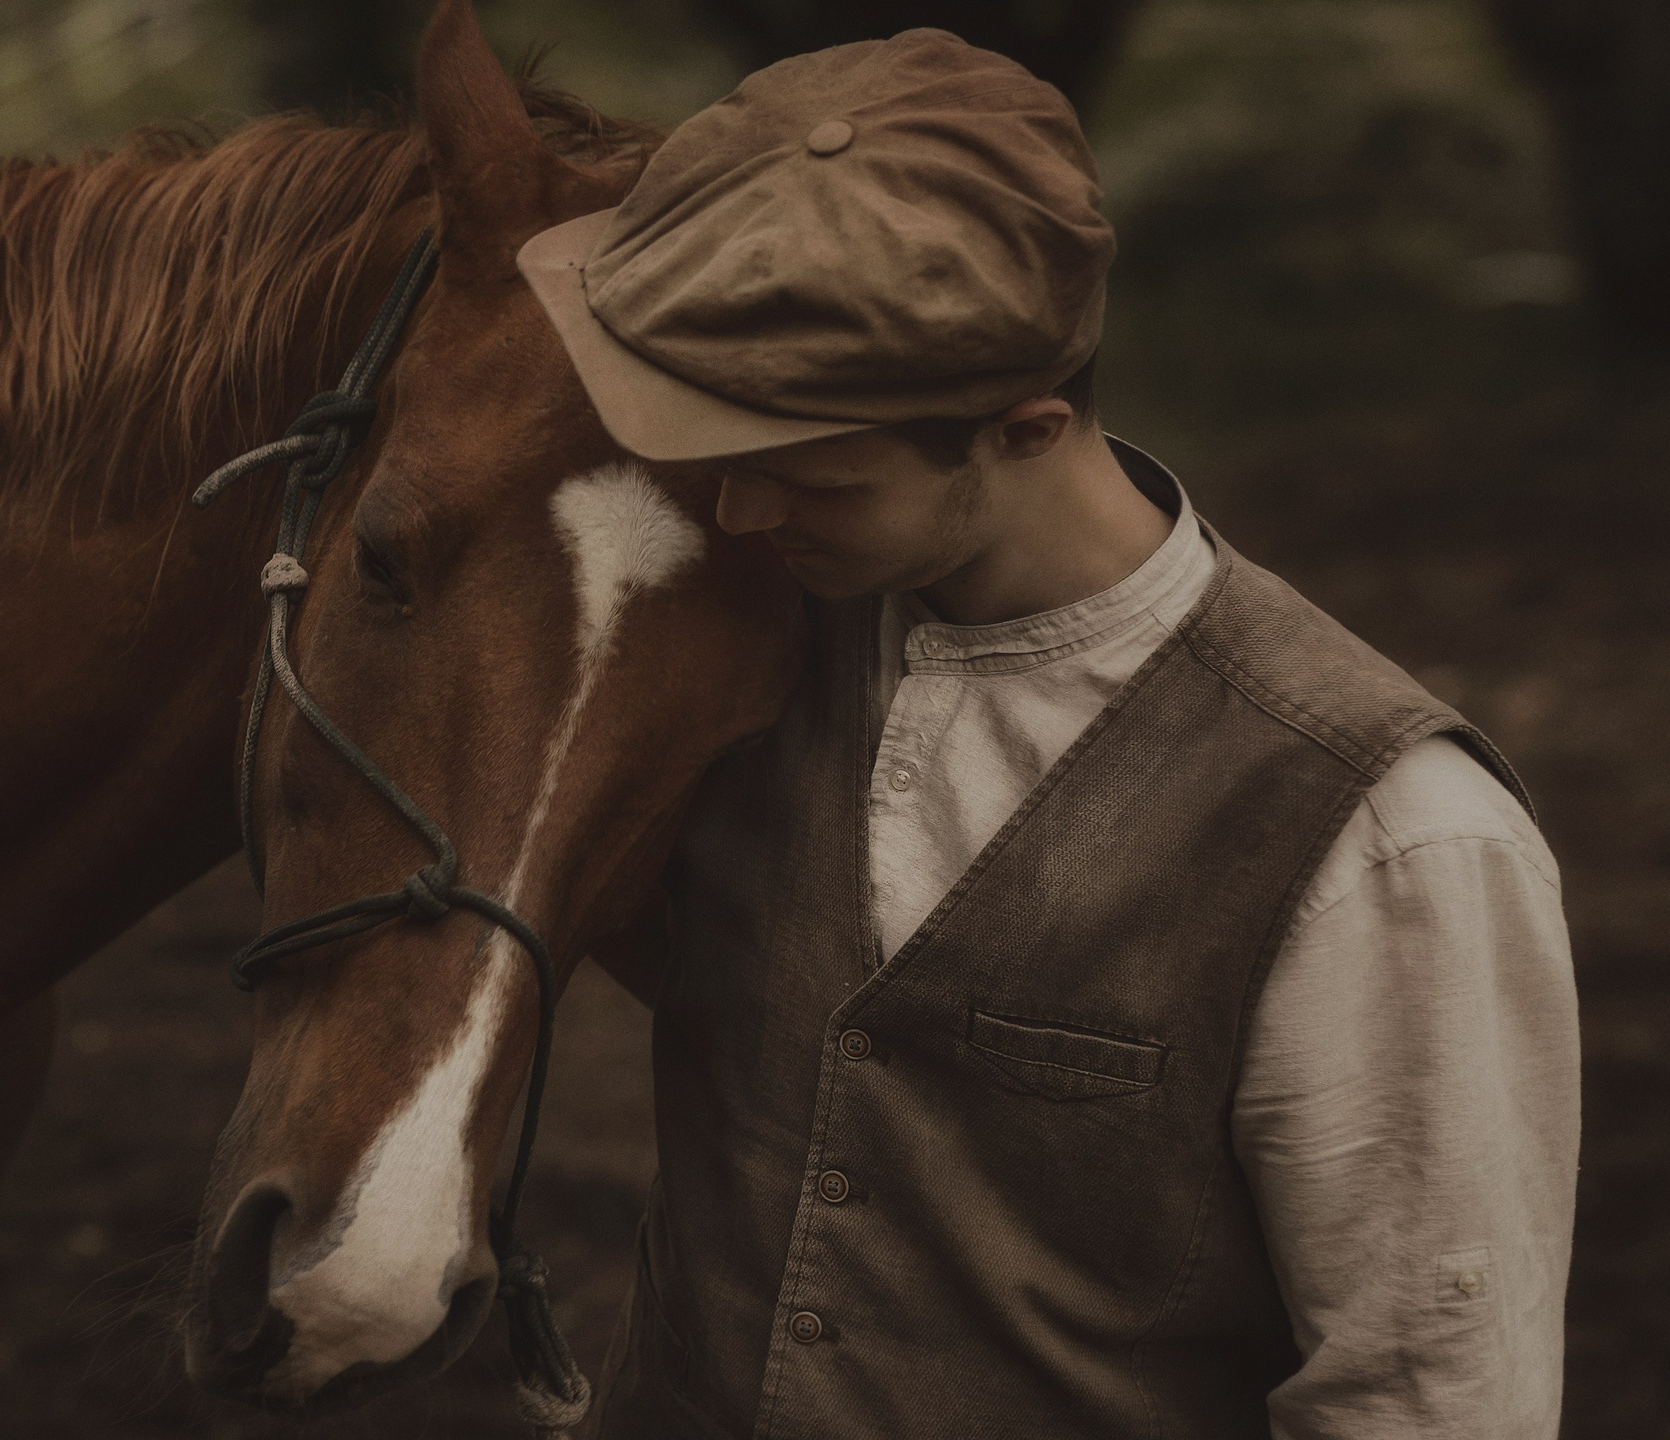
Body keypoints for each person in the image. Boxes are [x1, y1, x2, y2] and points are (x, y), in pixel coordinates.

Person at [515, 29, 1579, 1440]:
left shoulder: (1386, 840)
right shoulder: (745, 639)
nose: (741, 516)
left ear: (1024, 429)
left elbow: (1427, 1400)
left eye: (812, 478)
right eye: (720, 461)